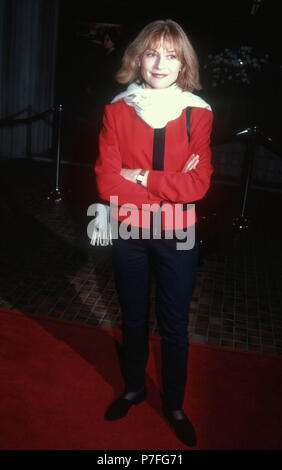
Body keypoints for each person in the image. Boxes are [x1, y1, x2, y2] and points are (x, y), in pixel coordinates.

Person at [94, 19, 213, 447]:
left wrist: (140, 175)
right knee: (133, 316)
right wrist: (167, 183)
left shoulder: (198, 113)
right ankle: (133, 387)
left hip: (179, 234)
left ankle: (175, 404)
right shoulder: (116, 108)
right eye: (151, 53)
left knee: (175, 325)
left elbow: (198, 186)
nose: (160, 63)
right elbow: (106, 182)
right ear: (137, 58)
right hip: (129, 230)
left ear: (183, 64)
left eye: (171, 55)